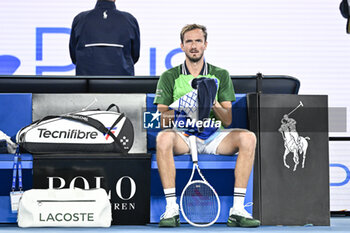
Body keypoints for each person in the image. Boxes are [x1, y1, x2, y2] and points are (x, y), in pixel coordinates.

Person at [153, 24, 260, 228]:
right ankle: (171, 209)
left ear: (205, 44)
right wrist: (187, 104)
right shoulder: (170, 76)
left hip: (213, 137)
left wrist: (212, 101)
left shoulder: (220, 74)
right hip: (183, 137)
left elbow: (227, 119)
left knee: (248, 137)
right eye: (189, 41)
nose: (194, 46)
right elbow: (162, 119)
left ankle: (237, 209)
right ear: (182, 46)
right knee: (163, 137)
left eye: (198, 41)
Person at [69, 0, 140, 76]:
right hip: (122, 84)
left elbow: (74, 56)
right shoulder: (130, 20)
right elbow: (134, 55)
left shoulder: (80, 19)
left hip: (87, 84)